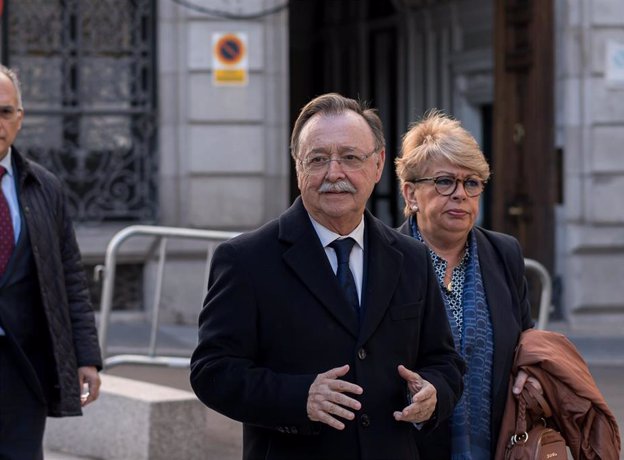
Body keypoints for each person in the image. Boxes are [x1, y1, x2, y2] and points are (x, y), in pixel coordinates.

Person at [190, 93, 465, 460]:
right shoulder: (246, 260)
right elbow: (213, 371)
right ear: (298, 167)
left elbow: (445, 361)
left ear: (378, 163)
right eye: (318, 159)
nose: (334, 173)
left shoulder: (411, 257)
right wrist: (299, 397)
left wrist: (433, 394)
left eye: (351, 157)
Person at [395, 110, 539, 459]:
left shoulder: (504, 253)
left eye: (472, 183)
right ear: (411, 194)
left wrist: (531, 373)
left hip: (495, 443)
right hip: (409, 444)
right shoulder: (386, 261)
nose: (460, 194)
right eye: (445, 181)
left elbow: (525, 338)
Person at [0, 65, 102, 459]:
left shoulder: (45, 188)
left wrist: (87, 357)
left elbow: (70, 277)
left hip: (26, 365)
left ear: (20, 119)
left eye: (5, 112)